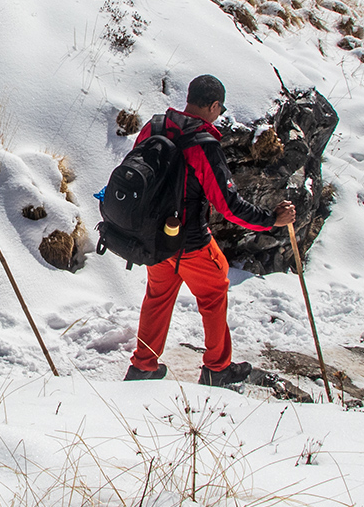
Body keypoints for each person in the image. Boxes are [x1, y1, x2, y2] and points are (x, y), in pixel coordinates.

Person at [123, 75, 297, 386]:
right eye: (220, 108)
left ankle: (143, 365)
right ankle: (217, 369)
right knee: (215, 292)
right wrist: (271, 221)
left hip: (155, 238)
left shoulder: (156, 126)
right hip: (191, 242)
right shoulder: (203, 144)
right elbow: (228, 205)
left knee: (157, 296)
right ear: (214, 105)